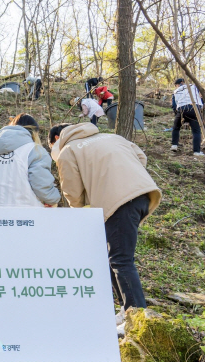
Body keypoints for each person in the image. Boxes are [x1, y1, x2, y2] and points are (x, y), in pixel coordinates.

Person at [48, 122, 161, 333]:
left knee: (121, 259)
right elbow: (141, 158)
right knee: (112, 256)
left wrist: (82, 215)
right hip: (143, 196)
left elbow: (72, 192)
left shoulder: (68, 151)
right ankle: (125, 311)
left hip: (119, 203)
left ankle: (137, 320)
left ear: (56, 139)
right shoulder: (113, 137)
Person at [0, 114, 60, 208]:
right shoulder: (35, 150)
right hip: (25, 213)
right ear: (34, 132)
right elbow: (42, 186)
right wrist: (53, 199)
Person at [171, 78, 203, 156]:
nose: (176, 86)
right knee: (196, 131)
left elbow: (174, 106)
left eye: (176, 85)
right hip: (194, 108)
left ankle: (174, 145)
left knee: (176, 127)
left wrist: (178, 116)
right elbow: (201, 95)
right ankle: (197, 151)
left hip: (181, 109)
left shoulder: (176, 91)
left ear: (181, 83)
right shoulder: (194, 86)